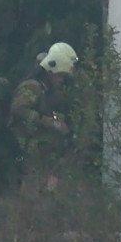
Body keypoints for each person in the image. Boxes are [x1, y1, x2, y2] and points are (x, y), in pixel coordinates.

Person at [9, 42, 78, 191]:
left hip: (44, 155)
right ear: (50, 72)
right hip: (28, 152)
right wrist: (49, 122)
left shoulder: (49, 92)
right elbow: (18, 109)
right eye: (60, 76)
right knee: (30, 195)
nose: (61, 80)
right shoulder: (32, 86)